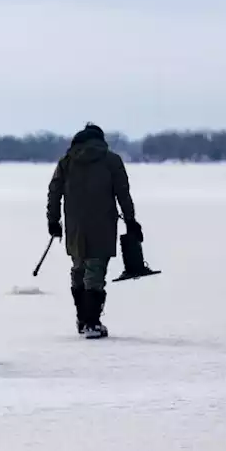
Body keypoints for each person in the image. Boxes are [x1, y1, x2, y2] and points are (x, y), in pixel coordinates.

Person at [46, 123, 141, 339]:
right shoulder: (111, 160)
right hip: (103, 225)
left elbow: (54, 191)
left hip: (75, 226)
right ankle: (91, 323)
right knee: (95, 270)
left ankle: (83, 319)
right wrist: (131, 221)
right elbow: (123, 194)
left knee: (79, 268)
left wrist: (53, 220)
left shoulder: (67, 161)